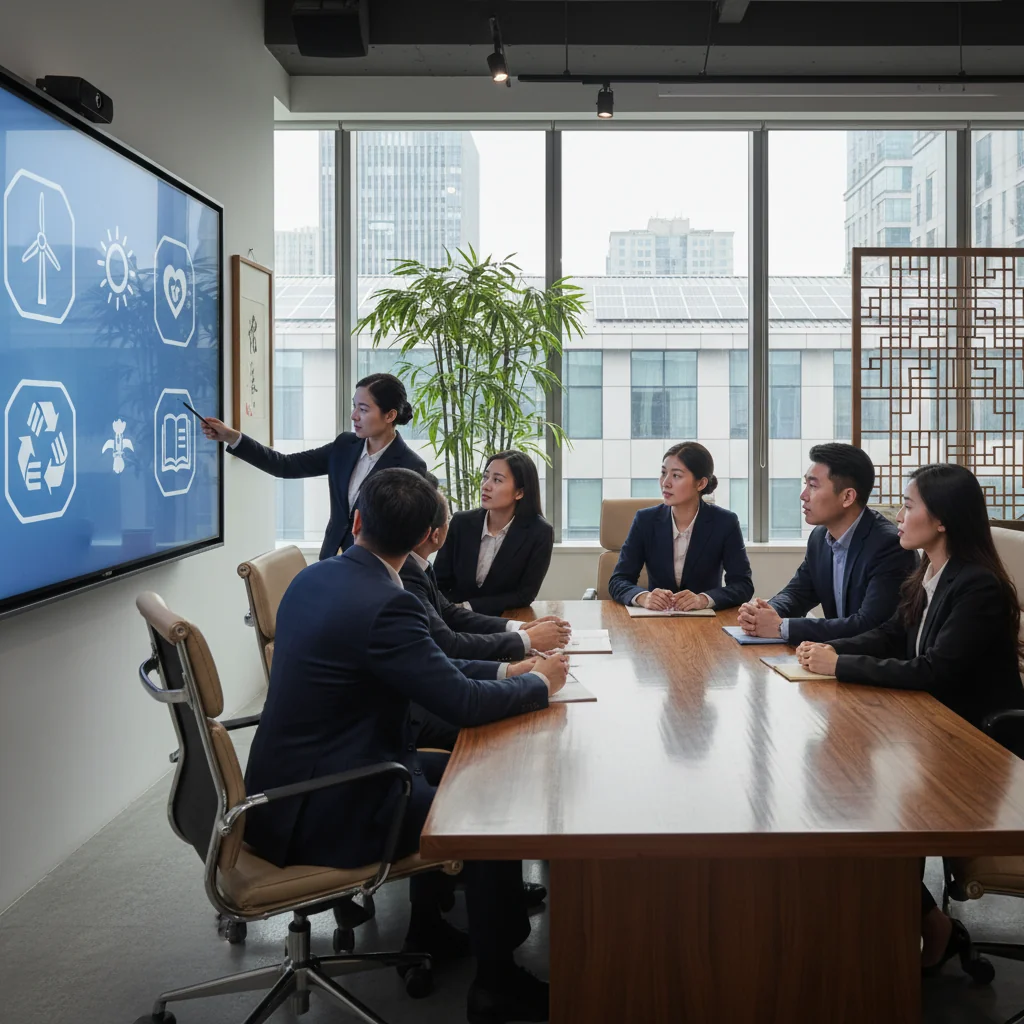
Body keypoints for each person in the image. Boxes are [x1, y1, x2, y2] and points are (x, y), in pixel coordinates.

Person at [244, 467, 567, 1022]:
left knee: (474, 774)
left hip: (287, 786)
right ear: (431, 537)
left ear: (357, 520)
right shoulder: (388, 603)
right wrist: (539, 684)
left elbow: (430, 664)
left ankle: (431, 928)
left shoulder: (315, 577)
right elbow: (459, 701)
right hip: (336, 801)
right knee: (493, 808)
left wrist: (505, 666)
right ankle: (495, 983)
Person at [796, 463, 1024, 975]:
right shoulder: (929, 571)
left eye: (908, 505)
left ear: (941, 519)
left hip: (978, 754)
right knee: (845, 798)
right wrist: (822, 649)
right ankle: (914, 924)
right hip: (932, 737)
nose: (898, 516)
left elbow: (934, 670)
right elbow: (890, 636)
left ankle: (918, 930)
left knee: (856, 813)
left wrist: (842, 664)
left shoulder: (978, 586)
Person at [200, 373, 426, 560]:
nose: (353, 416)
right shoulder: (344, 446)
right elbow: (286, 466)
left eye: (364, 410)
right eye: (354, 407)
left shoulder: (410, 466)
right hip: (331, 561)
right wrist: (232, 437)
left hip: (376, 569)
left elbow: (407, 534)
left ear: (390, 415)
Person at [737, 443, 916, 643]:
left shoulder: (889, 546)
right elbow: (798, 593)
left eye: (813, 486)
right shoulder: (819, 537)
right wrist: (764, 612)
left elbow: (869, 624)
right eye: (805, 484)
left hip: (871, 664)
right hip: (832, 656)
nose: (803, 495)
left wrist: (781, 627)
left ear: (847, 496)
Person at [608, 442, 753, 610]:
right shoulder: (645, 520)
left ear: (700, 484)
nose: (665, 483)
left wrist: (703, 600)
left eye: (676, 475)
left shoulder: (725, 522)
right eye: (663, 473)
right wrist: (644, 597)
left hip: (705, 623)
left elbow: (743, 585)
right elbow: (618, 581)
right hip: (655, 622)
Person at [435, 451, 554, 616]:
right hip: (453, 622)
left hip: (502, 622)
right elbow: (438, 582)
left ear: (519, 492)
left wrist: (467, 607)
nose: (486, 485)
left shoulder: (539, 532)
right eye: (486, 477)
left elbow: (525, 595)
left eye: (497, 480)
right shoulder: (461, 523)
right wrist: (451, 611)